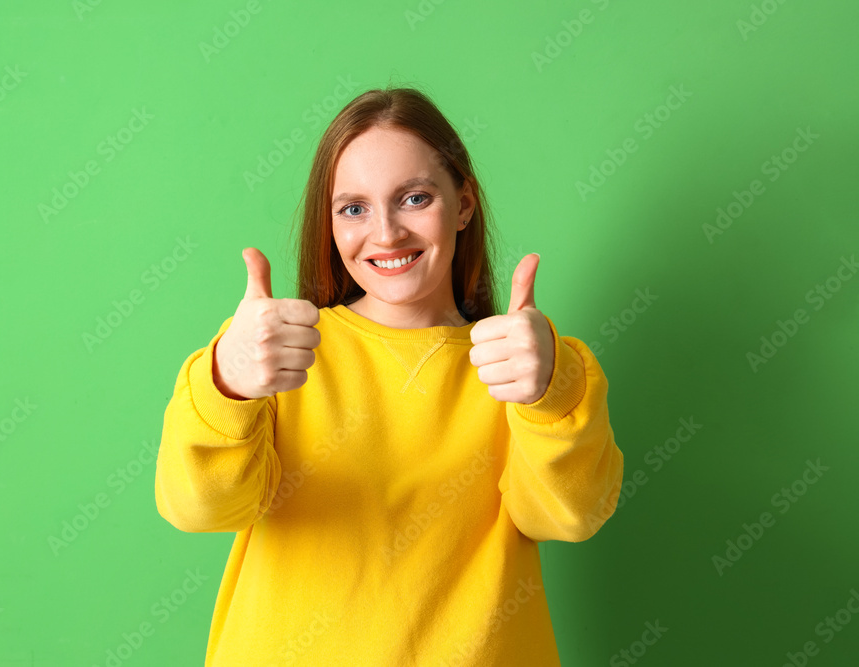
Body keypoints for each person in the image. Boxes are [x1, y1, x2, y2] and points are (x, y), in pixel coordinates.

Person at [154, 85, 625, 666]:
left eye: (415, 198)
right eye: (353, 208)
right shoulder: (273, 353)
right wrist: (226, 380)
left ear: (465, 203)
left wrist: (554, 395)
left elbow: (568, 516)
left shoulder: (525, 366)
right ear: (328, 223)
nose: (385, 234)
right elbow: (197, 508)